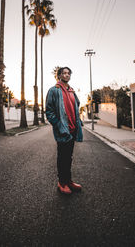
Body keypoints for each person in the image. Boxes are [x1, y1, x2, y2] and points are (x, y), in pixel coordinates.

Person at [46, 67, 83, 195]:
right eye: (64, 73)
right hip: (63, 130)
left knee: (69, 157)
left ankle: (69, 181)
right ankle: (62, 183)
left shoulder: (72, 91)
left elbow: (76, 106)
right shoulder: (54, 90)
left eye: (68, 73)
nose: (66, 75)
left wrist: (78, 122)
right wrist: (58, 124)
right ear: (59, 75)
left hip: (73, 130)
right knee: (62, 157)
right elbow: (49, 111)